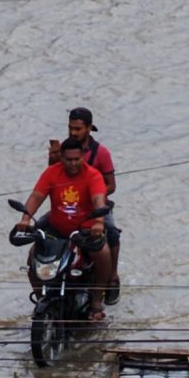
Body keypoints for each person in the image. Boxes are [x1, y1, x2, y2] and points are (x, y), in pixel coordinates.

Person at [17, 138, 108, 321]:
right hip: (57, 228)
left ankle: (97, 301)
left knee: (103, 254)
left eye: (76, 159)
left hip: (85, 231)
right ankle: (42, 298)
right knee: (33, 258)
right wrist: (25, 218)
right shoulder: (52, 173)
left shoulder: (93, 175)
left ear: (83, 156)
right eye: (68, 160)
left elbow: (99, 199)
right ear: (62, 158)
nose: (72, 164)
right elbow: (36, 196)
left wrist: (98, 222)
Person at [65, 106, 121, 304]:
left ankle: (113, 278)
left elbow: (111, 186)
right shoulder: (66, 150)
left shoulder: (101, 153)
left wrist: (93, 194)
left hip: (96, 207)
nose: (73, 132)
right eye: (71, 128)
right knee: (45, 229)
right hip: (69, 204)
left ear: (89, 128)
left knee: (112, 231)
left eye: (78, 129)